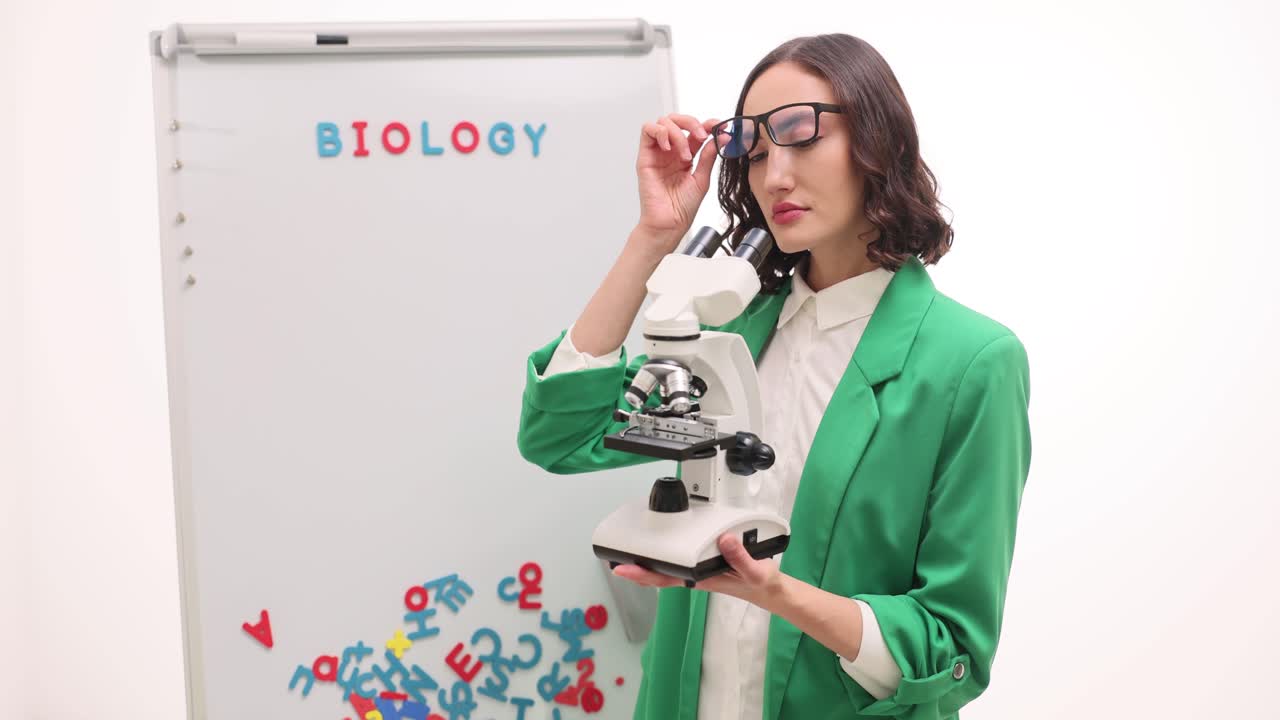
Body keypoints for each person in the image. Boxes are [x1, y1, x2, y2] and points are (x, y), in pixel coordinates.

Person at [516, 33, 1031, 720]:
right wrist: (654, 237)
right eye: (755, 153)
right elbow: (559, 436)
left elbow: (952, 650)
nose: (774, 177)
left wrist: (775, 593)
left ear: (878, 141)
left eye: (799, 136)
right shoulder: (731, 331)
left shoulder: (971, 362)